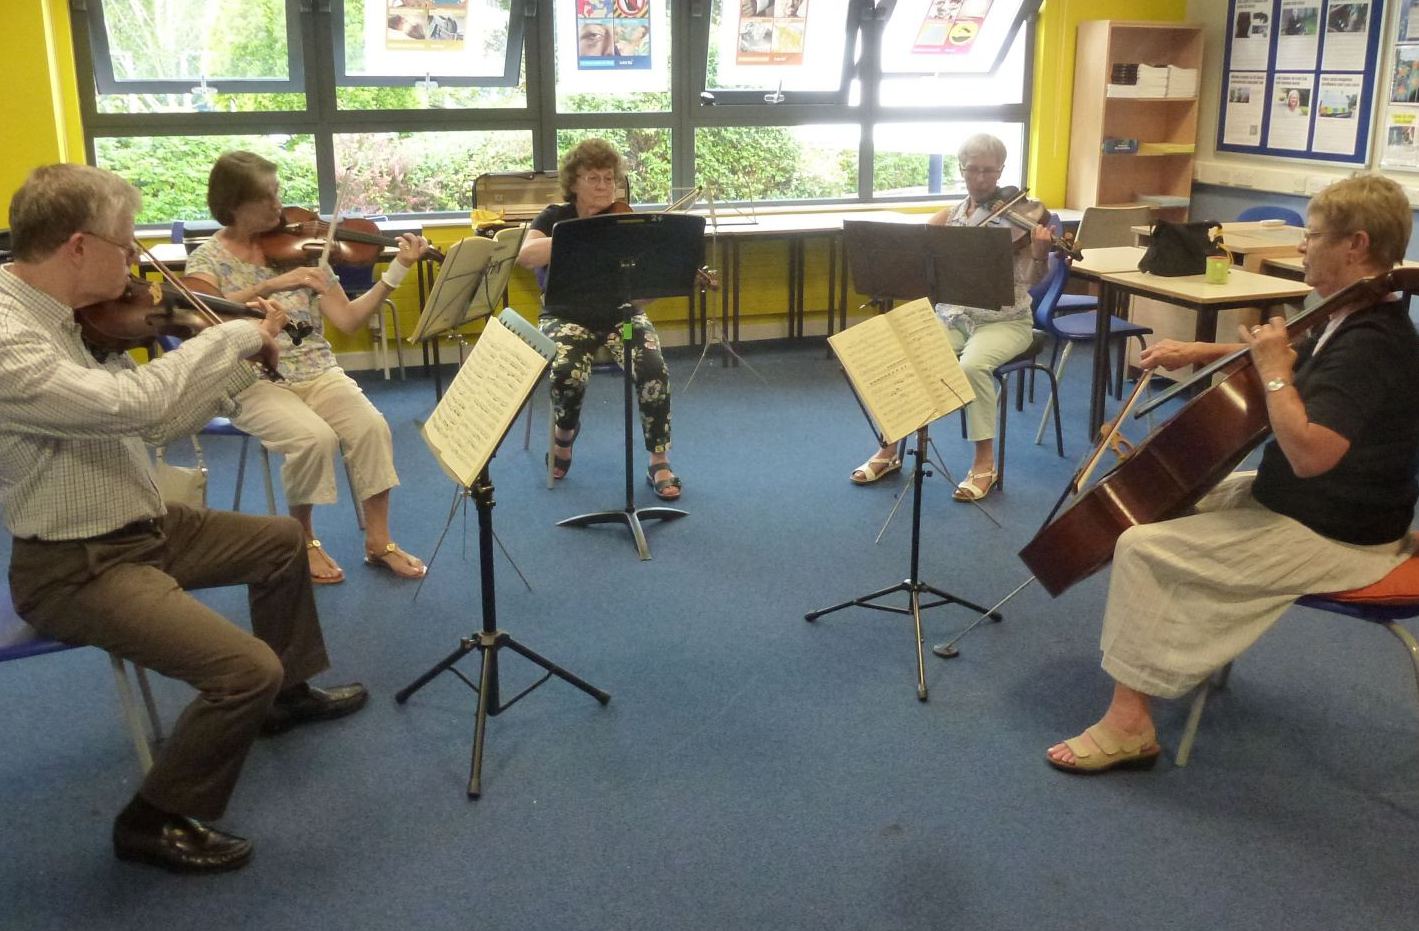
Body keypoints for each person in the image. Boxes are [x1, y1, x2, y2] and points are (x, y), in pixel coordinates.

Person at [0, 163, 370, 873]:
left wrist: (245, 360)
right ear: (77, 246)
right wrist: (225, 337)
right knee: (240, 669)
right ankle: (152, 818)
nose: (137, 256)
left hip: (142, 525)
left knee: (279, 541)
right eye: (124, 242)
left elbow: (159, 419)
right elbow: (125, 408)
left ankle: (285, 696)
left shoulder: (76, 318)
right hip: (74, 565)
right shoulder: (12, 334)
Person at [1046, 174, 1419, 774]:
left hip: (1338, 533)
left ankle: (1129, 725)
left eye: (1313, 236)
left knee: (1142, 546)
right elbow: (1295, 359)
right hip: (1305, 503)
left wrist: (1272, 374)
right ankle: (1171, 659)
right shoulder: (1350, 313)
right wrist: (1201, 353)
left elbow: (1309, 454)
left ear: (1356, 244)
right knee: (1168, 505)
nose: (1302, 247)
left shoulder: (1375, 341)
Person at [184, 151, 427, 583]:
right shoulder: (208, 260)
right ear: (236, 204)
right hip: (251, 379)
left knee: (372, 427)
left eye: (278, 194)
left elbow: (349, 319)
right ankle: (304, 541)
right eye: (269, 198)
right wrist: (269, 285)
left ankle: (379, 541)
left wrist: (397, 272)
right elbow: (200, 319)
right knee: (313, 439)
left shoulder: (303, 251)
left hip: (317, 370)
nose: (281, 208)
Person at [849, 133, 1052, 501]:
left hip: (1004, 321)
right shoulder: (947, 218)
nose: (981, 178)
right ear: (961, 171)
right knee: (908, 358)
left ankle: (984, 464)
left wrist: (1039, 255)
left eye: (989, 170)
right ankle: (889, 449)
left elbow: (1031, 282)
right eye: (972, 169)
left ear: (1001, 171)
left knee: (972, 367)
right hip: (954, 317)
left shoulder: (1021, 218)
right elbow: (921, 274)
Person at [515, 137, 682, 500]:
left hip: (620, 316)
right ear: (574, 182)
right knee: (567, 373)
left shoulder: (625, 223)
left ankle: (659, 459)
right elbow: (527, 255)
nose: (604, 186)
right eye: (594, 178)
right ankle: (564, 434)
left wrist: (659, 284)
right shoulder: (556, 218)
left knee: (653, 368)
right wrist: (583, 238)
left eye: (610, 178)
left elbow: (640, 295)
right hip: (566, 316)